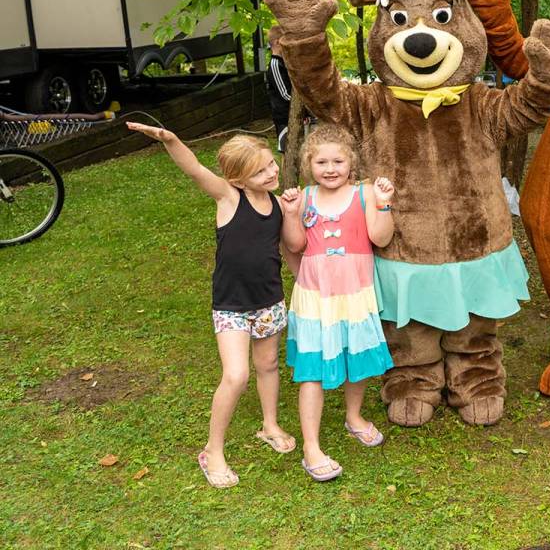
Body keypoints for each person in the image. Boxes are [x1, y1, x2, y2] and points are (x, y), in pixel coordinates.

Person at [125, 123, 297, 488]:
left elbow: (287, 249)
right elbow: (195, 169)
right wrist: (172, 139)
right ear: (237, 177)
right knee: (237, 375)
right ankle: (212, 449)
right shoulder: (229, 197)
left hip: (269, 300)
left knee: (267, 365)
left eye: (270, 164)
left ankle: (269, 424)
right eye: (260, 171)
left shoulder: (280, 205)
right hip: (232, 305)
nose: (271, 173)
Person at [281, 124, 395, 482]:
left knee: (355, 358)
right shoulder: (305, 197)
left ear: (352, 163)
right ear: (308, 164)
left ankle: (354, 416)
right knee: (312, 369)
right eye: (321, 162)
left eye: (338, 161)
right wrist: (290, 214)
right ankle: (311, 446)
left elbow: (380, 236)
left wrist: (383, 202)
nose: (330, 169)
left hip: (355, 293)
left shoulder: (364, 195)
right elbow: (295, 244)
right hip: (316, 298)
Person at [266, 26, 294, 152]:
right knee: (286, 150)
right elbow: (285, 94)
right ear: (278, 42)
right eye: (287, 40)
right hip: (284, 117)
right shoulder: (275, 64)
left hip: (292, 115)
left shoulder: (285, 62)